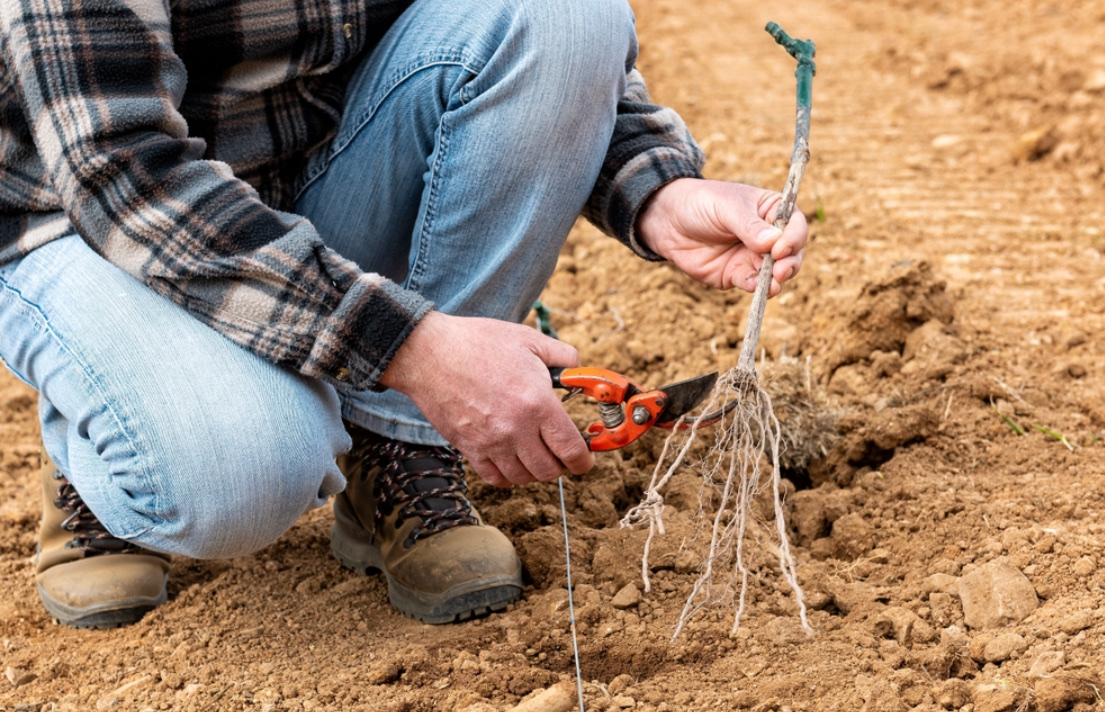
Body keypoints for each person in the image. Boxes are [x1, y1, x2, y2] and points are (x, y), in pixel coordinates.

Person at [0, 0, 808, 629]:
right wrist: (410, 347)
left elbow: (529, 44)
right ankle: (104, 429)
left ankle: (398, 443)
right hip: (96, 225)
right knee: (244, 476)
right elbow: (121, 169)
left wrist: (656, 190)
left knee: (566, 13)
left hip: (313, 182)